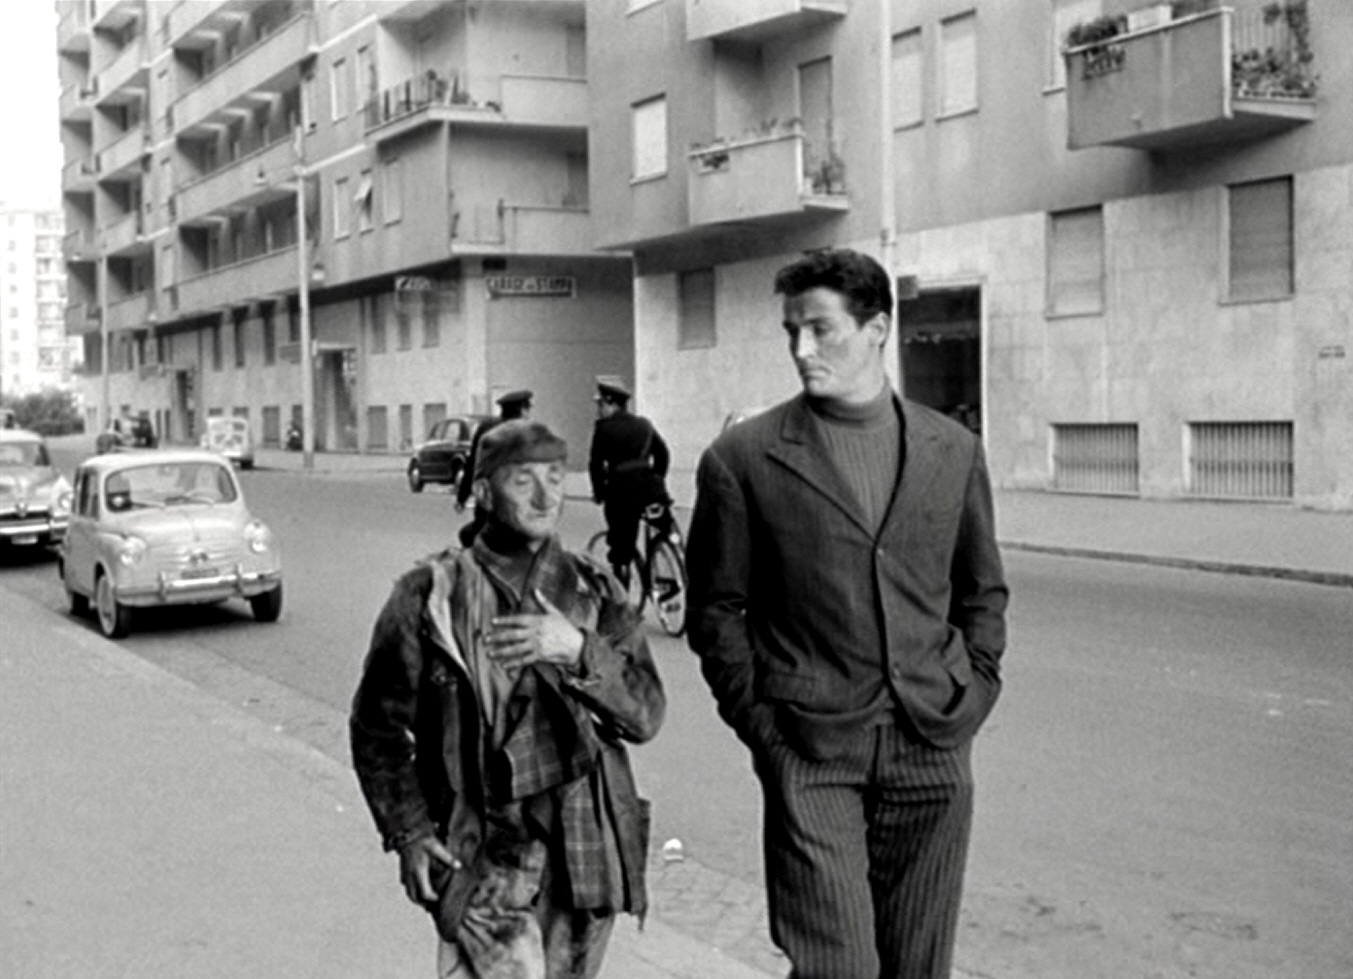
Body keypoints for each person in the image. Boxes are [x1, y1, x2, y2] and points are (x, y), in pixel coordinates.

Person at [684, 248, 1009, 979]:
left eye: (820, 329)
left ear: (876, 329)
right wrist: (765, 729)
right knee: (837, 969)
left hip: (931, 741)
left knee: (917, 965)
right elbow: (716, 609)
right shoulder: (744, 457)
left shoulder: (952, 449)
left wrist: (976, 686)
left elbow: (981, 588)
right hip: (811, 747)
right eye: (791, 331)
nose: (801, 349)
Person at [351, 418, 665, 979]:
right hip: (484, 856)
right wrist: (409, 832)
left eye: (555, 478)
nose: (546, 497)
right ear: (484, 490)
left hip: (582, 850)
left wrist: (578, 651)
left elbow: (646, 714)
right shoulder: (432, 596)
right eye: (524, 481)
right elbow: (377, 727)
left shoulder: (594, 589)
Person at [587, 379, 672, 587]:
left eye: (600, 404)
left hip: (622, 494)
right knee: (663, 525)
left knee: (621, 547)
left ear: (611, 403)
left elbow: (596, 465)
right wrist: (656, 480)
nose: (598, 410)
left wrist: (600, 492)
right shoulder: (644, 425)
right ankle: (669, 551)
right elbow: (662, 455)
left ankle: (621, 591)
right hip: (651, 491)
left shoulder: (604, 428)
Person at [457, 389, 533, 547]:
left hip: (486, 498)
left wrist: (462, 496)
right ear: (522, 411)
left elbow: (472, 464)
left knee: (479, 535)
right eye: (528, 409)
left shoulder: (485, 428)